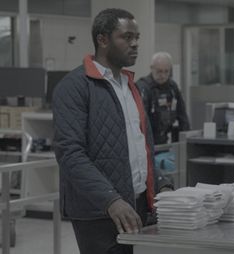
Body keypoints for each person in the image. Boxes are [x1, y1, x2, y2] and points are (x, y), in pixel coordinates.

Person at [53, 8, 173, 254]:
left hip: (138, 206)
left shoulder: (130, 86)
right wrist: (111, 200)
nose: (135, 44)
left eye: (136, 37)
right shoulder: (75, 87)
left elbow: (141, 147)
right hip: (99, 212)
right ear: (103, 39)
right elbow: (70, 153)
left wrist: (162, 185)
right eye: (126, 37)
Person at [136, 52, 190, 145]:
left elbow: (183, 116)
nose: (163, 75)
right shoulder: (143, 87)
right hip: (146, 142)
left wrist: (186, 142)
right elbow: (141, 121)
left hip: (164, 140)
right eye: (159, 71)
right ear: (152, 68)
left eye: (166, 71)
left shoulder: (172, 87)